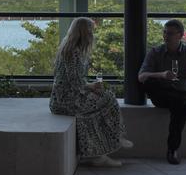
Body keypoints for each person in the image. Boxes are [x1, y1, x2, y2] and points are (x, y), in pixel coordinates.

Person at [49, 17, 133, 167]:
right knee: (108, 97)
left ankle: (99, 153)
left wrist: (90, 87)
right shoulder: (72, 52)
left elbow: (74, 81)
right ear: (84, 32)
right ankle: (117, 137)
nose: (92, 33)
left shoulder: (69, 47)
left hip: (63, 98)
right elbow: (76, 83)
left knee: (96, 110)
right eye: (90, 30)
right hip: (66, 101)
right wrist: (92, 86)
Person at [138, 19, 186, 165]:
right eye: (165, 32)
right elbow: (141, 76)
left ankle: (172, 150)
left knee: (179, 109)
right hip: (163, 94)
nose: (166, 36)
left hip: (184, 92)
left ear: (180, 35)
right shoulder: (155, 52)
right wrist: (162, 75)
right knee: (150, 82)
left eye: (170, 33)